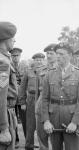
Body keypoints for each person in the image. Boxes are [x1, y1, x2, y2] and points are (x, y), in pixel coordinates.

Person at [41, 43, 79, 150]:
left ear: (70, 55)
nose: (58, 56)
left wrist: (75, 122)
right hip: (54, 118)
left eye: (61, 54)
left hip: (71, 117)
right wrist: (46, 121)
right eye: (57, 54)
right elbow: (44, 99)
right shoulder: (49, 74)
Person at [19, 53, 45, 150]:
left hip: (42, 98)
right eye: (37, 60)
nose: (39, 61)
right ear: (33, 61)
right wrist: (22, 103)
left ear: (44, 60)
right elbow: (22, 88)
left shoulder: (46, 71)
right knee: (30, 124)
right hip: (31, 99)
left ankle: (43, 146)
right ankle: (29, 145)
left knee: (43, 124)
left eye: (41, 59)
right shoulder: (28, 72)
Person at [35, 43, 57, 150]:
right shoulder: (40, 70)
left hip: (56, 106)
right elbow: (37, 92)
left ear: (57, 54)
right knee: (42, 136)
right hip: (41, 105)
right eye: (47, 53)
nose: (48, 56)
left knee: (56, 137)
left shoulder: (62, 69)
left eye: (51, 53)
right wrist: (37, 106)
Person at [0, 22, 18, 150]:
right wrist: (4, 128)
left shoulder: (5, 58)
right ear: (6, 39)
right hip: (4, 112)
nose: (14, 40)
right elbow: (1, 96)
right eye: (13, 38)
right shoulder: (3, 61)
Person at [10, 47, 26, 148]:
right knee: (12, 121)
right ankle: (15, 140)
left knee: (25, 121)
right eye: (13, 56)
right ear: (11, 56)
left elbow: (26, 83)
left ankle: (28, 140)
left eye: (17, 56)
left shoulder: (25, 66)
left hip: (22, 99)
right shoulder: (8, 65)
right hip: (11, 98)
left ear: (20, 56)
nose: (15, 58)